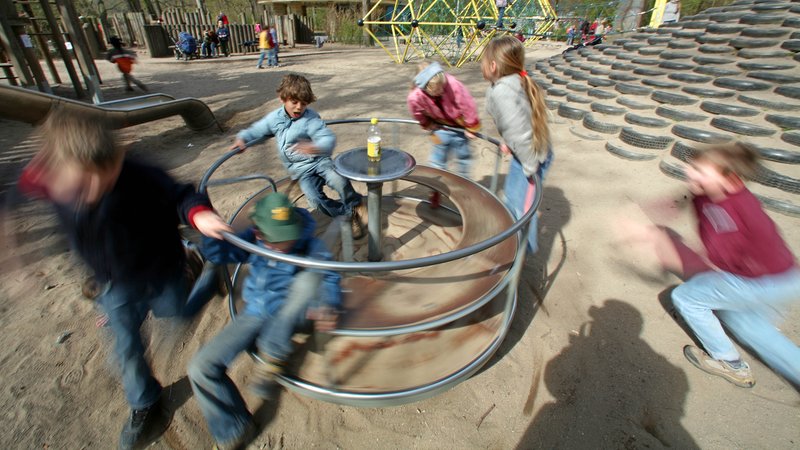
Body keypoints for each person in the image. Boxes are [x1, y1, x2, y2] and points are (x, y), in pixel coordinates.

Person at [16, 109, 231, 449]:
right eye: (82, 181)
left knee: (178, 314)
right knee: (125, 347)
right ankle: (144, 401)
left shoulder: (139, 174)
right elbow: (16, 193)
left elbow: (180, 194)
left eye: (105, 178)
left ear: (118, 158)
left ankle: (201, 267)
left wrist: (198, 213)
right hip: (112, 282)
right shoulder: (47, 177)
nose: (93, 190)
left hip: (161, 268)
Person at [618, 142, 800, 390]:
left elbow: (713, 258)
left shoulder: (732, 210)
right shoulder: (712, 192)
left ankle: (729, 362)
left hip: (760, 281)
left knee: (687, 298)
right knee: (747, 325)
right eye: (692, 167)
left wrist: (660, 243)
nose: (689, 173)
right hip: (787, 277)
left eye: (700, 171)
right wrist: (650, 211)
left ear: (730, 179)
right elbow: (683, 199)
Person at [188, 192, 342, 449]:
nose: (282, 243)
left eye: (287, 235)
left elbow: (328, 275)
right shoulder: (255, 240)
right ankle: (234, 429)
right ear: (258, 232)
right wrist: (211, 233)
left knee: (307, 282)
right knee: (200, 367)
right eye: (274, 238)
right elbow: (220, 254)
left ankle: (273, 353)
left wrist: (328, 303)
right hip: (256, 312)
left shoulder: (308, 246)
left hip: (291, 313)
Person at [231, 74, 366, 237]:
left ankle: (355, 202)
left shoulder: (310, 119)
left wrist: (315, 147)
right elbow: (257, 129)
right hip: (301, 171)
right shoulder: (274, 119)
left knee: (338, 179)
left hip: (319, 161)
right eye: (294, 102)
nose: (299, 107)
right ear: (282, 98)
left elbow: (328, 138)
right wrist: (243, 138)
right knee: (314, 200)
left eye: (303, 103)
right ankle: (347, 214)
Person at [481, 35, 553, 253]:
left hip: (531, 157)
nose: (481, 65)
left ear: (493, 66)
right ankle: (513, 246)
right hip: (524, 152)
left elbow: (520, 132)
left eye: (483, 61)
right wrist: (508, 143)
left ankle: (522, 252)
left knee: (522, 208)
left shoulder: (503, 91)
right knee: (512, 199)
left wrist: (531, 167)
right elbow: (517, 121)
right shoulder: (510, 83)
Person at [406, 61, 480, 182]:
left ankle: (464, 183)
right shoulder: (416, 96)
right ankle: (436, 185)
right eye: (437, 90)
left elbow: (467, 103)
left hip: (459, 128)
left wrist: (472, 126)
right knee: (437, 159)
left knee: (464, 157)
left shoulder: (452, 84)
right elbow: (417, 112)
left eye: (442, 86)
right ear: (425, 88)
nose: (441, 90)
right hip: (439, 128)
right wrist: (427, 124)